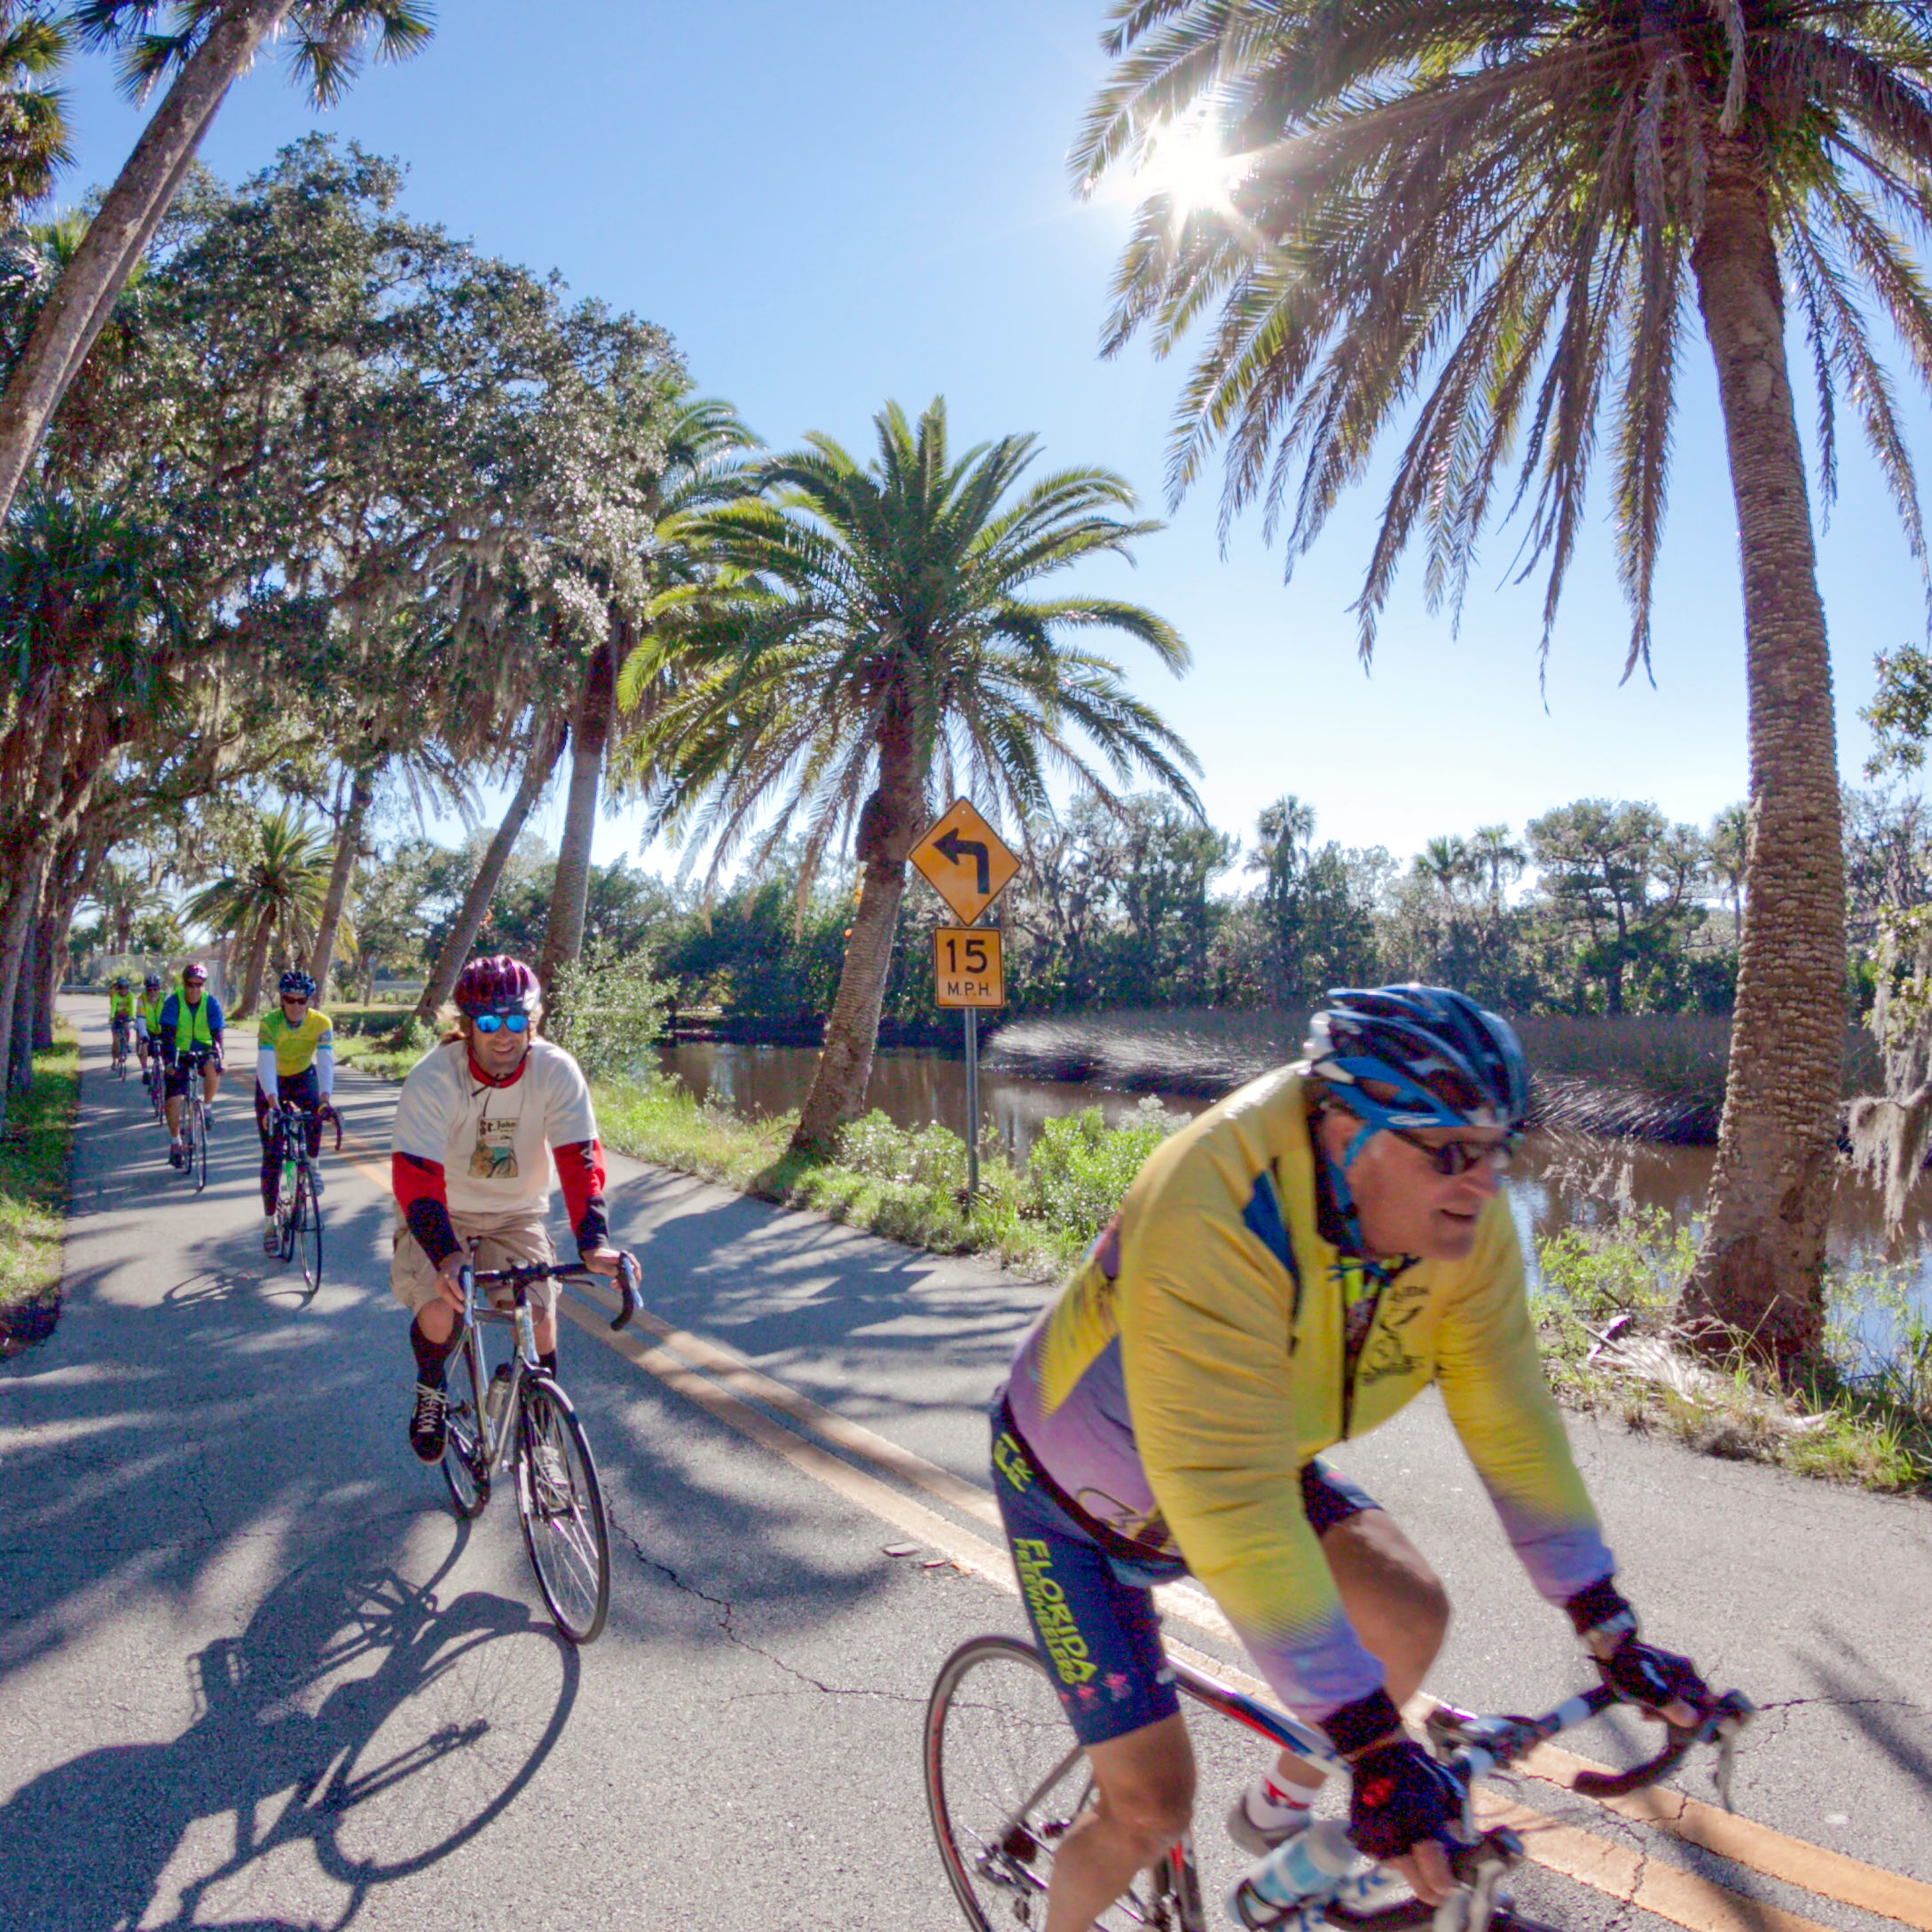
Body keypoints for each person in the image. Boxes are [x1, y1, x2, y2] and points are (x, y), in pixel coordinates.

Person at [992, 986, 1715, 1929]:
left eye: (1499, 1149)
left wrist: (1605, 1620)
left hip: (1247, 1451)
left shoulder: (1463, 1219)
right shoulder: (1214, 1200)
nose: (1483, 1181)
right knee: (1147, 1809)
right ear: (1345, 1128)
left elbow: (1509, 1415)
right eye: (1451, 1152)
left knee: (1408, 1614)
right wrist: (1375, 1750)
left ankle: (1274, 1816)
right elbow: (1230, 1499)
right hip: (1078, 1504)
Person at [389, 954, 623, 1462]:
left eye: (516, 1021)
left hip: (517, 1215)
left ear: (531, 1022)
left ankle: (543, 1445)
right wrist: (448, 1255)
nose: (503, 1035)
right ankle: (431, 1385)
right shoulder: (433, 1078)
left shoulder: (556, 1070)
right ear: (467, 1026)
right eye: (488, 1022)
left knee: (538, 1318)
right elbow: (415, 1177)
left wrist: (595, 1244)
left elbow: (579, 1163)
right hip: (442, 1213)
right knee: (441, 1308)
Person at [255, 969, 335, 1254]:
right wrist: (273, 1104)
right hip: (272, 1083)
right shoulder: (269, 1023)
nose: (296, 1006)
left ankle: (312, 1166)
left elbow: (326, 1063)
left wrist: (325, 1099)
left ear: (309, 1002)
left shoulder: (321, 1023)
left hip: (302, 1076)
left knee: (316, 1113)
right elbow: (265, 1064)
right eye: (290, 999)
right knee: (274, 1155)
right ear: (281, 1000)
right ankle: (269, 1222)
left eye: (303, 1001)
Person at [159, 964, 224, 1166]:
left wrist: (220, 1055)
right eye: (190, 985)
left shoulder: (210, 1003)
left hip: (202, 1050)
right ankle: (175, 1142)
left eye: (199, 985)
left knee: (214, 1067)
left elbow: (218, 1035)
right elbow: (167, 1035)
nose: (195, 989)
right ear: (184, 984)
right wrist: (169, 1062)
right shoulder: (173, 1003)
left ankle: (206, 1107)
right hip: (179, 1053)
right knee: (174, 1099)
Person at [134, 972, 165, 1083]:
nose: (152, 992)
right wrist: (144, 1035)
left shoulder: (165, 997)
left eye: (155, 989)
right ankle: (146, 1071)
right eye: (149, 989)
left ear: (159, 988)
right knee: (143, 1044)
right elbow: (141, 1019)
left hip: (163, 1028)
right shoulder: (141, 999)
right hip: (147, 1028)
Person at [107, 978, 135, 1064]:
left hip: (125, 1015)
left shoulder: (130, 995)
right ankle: (114, 1060)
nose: (124, 990)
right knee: (115, 1041)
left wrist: (132, 1016)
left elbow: (132, 1007)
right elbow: (113, 1007)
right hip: (116, 1015)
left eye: (126, 988)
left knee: (127, 1028)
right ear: (118, 989)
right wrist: (111, 1017)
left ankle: (126, 1045)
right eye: (122, 988)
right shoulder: (116, 996)